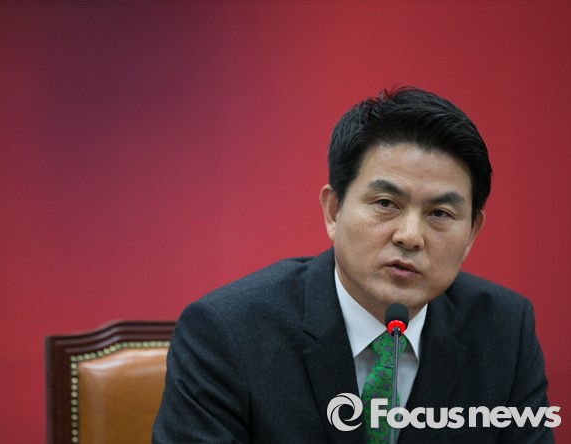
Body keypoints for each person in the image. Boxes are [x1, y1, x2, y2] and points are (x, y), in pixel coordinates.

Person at [152, 87, 552, 443]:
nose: (410, 236)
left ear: (471, 234)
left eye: (440, 214)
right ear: (334, 211)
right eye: (386, 204)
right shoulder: (227, 334)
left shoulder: (504, 332)